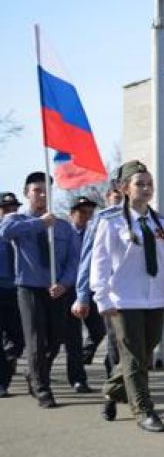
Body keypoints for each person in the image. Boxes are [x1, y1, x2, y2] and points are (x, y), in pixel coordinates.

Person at [90, 161, 164, 432]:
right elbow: (99, 261)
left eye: (149, 184)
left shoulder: (162, 223)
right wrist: (102, 297)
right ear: (124, 188)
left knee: (144, 353)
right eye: (139, 184)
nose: (146, 189)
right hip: (124, 298)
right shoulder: (110, 220)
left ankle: (111, 389)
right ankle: (143, 409)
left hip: (155, 298)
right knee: (133, 356)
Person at [0, 172, 78, 408]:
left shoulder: (63, 227)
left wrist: (64, 283)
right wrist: (40, 223)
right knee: (35, 339)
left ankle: (34, 372)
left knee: (55, 340)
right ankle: (43, 388)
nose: (43, 195)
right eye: (37, 190)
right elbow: (5, 233)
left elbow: (74, 260)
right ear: (27, 193)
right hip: (29, 288)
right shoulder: (16, 220)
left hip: (57, 290)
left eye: (47, 190)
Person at [72, 181, 126, 419]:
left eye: (120, 194)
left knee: (138, 350)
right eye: (114, 194)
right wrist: (82, 295)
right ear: (108, 196)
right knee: (116, 347)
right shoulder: (100, 222)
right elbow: (87, 261)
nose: (117, 198)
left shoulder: (144, 218)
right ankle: (112, 395)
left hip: (142, 297)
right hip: (112, 295)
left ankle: (123, 388)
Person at [63, 195, 98, 394]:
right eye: (81, 212)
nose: (86, 216)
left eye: (89, 212)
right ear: (71, 214)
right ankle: (78, 379)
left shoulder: (93, 234)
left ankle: (85, 355)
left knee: (98, 330)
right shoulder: (63, 234)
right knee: (73, 338)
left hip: (90, 291)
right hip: (69, 292)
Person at [0, 192, 26, 397]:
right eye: (5, 209)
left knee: (18, 338)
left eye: (13, 208)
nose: (10, 212)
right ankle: (2, 383)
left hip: (16, 290)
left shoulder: (21, 230)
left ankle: (10, 358)